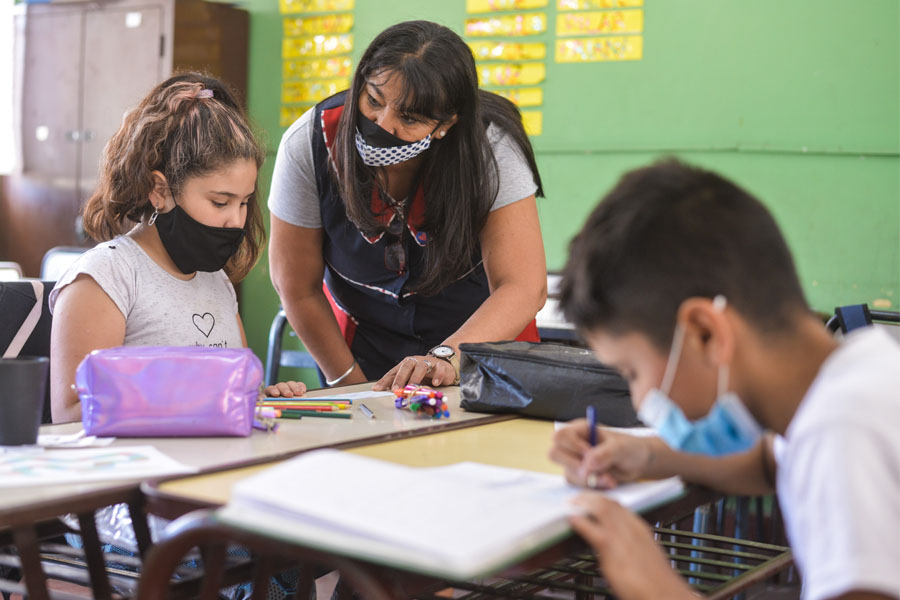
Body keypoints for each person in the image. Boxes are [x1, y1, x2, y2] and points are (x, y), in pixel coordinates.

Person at [550, 159, 899, 600]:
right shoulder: (853, 381)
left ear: (705, 333)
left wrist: (657, 589)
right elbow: (769, 463)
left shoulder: (847, 429)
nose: (639, 401)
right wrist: (644, 454)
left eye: (631, 372)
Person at [268, 20, 548, 391]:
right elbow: (297, 286)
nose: (382, 124)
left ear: (446, 125)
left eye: (410, 117)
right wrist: (352, 386)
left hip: (483, 344)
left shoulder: (490, 148)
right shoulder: (310, 142)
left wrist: (447, 357)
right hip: (364, 350)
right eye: (373, 100)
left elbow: (523, 286)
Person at [50, 72, 305, 424]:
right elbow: (72, 413)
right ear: (160, 190)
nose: (237, 220)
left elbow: (235, 391)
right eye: (220, 202)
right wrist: (195, 396)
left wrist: (260, 396)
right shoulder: (105, 278)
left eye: (244, 203)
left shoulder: (216, 281)